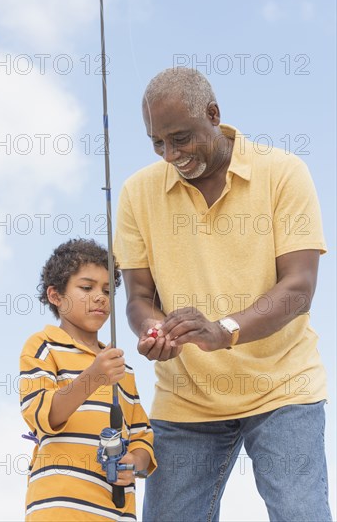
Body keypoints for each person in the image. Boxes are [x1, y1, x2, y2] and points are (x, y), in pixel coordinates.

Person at [114, 67, 332, 522]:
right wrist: (155, 330)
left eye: (181, 138)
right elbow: (137, 295)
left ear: (214, 115)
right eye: (157, 143)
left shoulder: (284, 173)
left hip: (282, 387)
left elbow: (299, 288)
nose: (171, 154)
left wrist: (223, 331)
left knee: (300, 514)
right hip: (186, 396)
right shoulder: (137, 192)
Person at [19, 238, 156, 521]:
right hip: (58, 508)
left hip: (115, 512)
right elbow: (43, 416)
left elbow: (142, 436)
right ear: (56, 296)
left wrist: (136, 461)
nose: (100, 297)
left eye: (107, 290)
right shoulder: (43, 346)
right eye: (86, 287)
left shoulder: (121, 369)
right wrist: (93, 377)